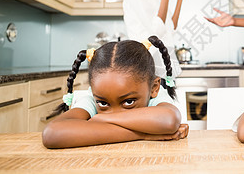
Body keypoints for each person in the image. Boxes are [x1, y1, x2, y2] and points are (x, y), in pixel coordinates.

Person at [42, 36, 189, 149]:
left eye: (129, 102)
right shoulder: (93, 98)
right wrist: (144, 134)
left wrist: (101, 119)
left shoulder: (154, 97)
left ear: (154, 88)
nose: (113, 113)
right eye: (103, 103)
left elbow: (169, 120)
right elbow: (52, 134)